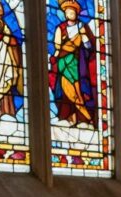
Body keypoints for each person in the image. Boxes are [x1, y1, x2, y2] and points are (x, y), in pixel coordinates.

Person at [49, 0, 97, 128]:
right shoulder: (61, 28)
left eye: (72, 12)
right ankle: (67, 117)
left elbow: (88, 47)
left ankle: (84, 118)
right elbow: (57, 46)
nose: (69, 14)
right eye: (67, 12)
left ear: (76, 13)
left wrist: (84, 37)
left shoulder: (82, 27)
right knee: (65, 89)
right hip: (63, 62)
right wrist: (54, 56)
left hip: (78, 63)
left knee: (78, 89)